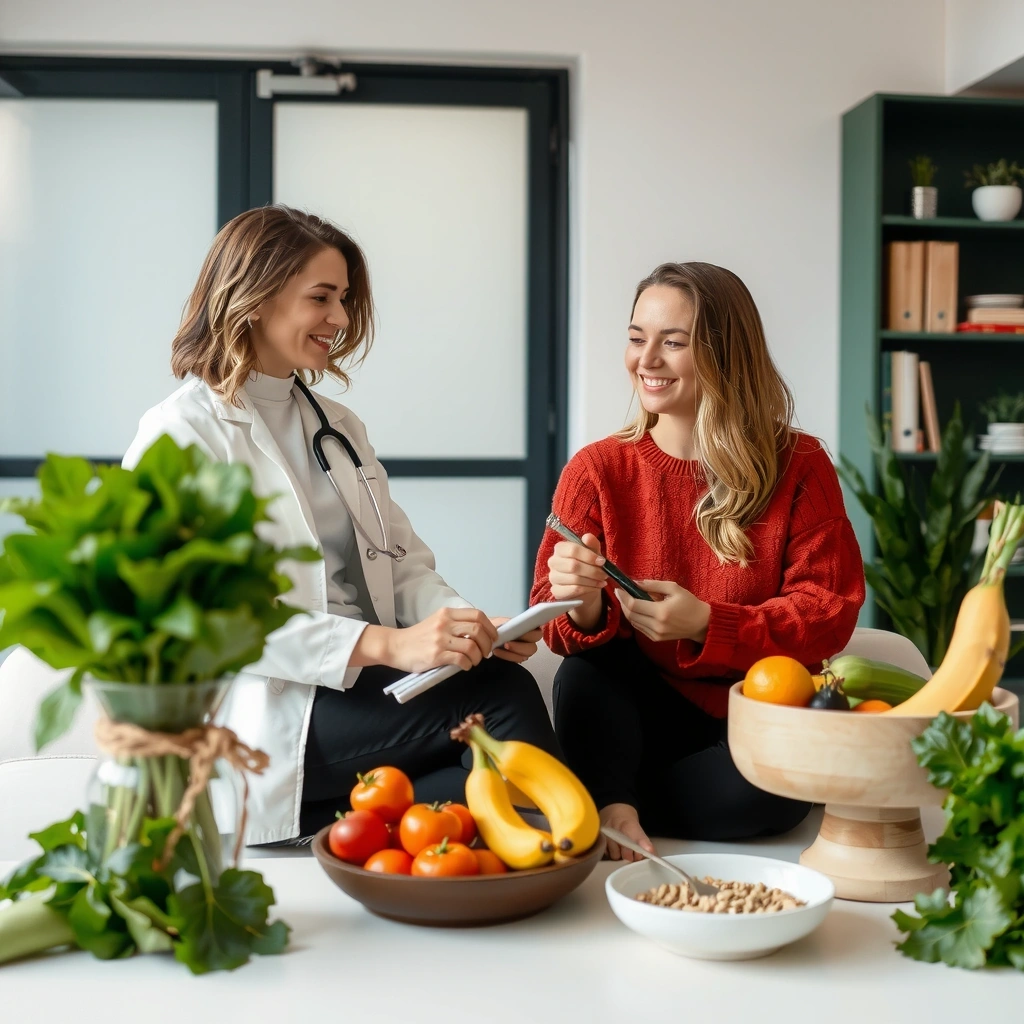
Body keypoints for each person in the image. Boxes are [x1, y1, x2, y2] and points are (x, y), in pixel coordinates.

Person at [124, 205, 559, 846]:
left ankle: (337, 829)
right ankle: (549, 862)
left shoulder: (338, 427)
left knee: (473, 776)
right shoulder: (181, 432)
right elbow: (204, 619)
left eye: (345, 299)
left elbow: (401, 561)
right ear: (256, 298)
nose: (342, 318)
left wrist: (464, 626)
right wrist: (388, 646)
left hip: (360, 688)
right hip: (269, 705)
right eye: (321, 297)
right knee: (502, 699)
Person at [529, 262, 865, 861]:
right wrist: (581, 606)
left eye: (673, 342)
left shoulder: (801, 464)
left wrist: (708, 623)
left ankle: (608, 799)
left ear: (725, 354)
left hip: (751, 714)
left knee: (768, 797)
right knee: (588, 669)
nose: (646, 359)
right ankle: (612, 797)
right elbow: (553, 628)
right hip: (632, 714)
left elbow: (828, 614)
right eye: (637, 338)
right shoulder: (596, 469)